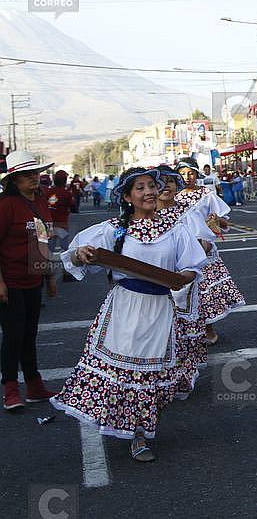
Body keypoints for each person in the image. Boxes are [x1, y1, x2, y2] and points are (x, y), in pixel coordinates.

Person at [52, 167, 206, 461]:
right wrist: (81, 254)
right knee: (124, 370)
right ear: (127, 197)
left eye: (152, 186)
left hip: (159, 308)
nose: (149, 192)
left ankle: (139, 430)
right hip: (124, 307)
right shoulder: (114, 230)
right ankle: (134, 433)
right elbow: (75, 256)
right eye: (140, 188)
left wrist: (180, 278)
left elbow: (192, 265)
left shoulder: (175, 228)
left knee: (151, 372)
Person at [0, 151, 58, 411]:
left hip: (34, 279)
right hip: (9, 280)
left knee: (29, 334)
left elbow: (43, 242)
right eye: (27, 175)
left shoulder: (41, 201)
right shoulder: (5, 205)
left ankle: (34, 386)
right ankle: (11, 390)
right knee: (13, 335)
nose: (34, 177)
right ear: (14, 180)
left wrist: (50, 277)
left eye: (35, 173)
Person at [155, 165, 215, 399]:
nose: (166, 186)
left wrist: (197, 248)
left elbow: (206, 242)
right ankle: (156, 380)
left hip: (183, 284)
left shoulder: (188, 213)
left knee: (182, 332)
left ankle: (181, 378)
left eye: (170, 181)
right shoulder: (143, 216)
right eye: (160, 182)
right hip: (152, 285)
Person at [175, 157, 246, 345]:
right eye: (182, 174)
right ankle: (184, 331)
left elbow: (224, 223)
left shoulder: (207, 194)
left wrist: (216, 220)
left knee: (203, 291)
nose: (186, 177)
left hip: (203, 248)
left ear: (197, 174)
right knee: (182, 292)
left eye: (190, 173)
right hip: (180, 250)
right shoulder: (172, 197)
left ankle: (208, 328)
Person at [46, 170, 76, 254]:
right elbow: (73, 207)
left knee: (50, 244)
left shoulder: (49, 191)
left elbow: (49, 204)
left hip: (50, 221)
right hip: (62, 222)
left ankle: (48, 259)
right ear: (65, 180)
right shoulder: (66, 193)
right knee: (64, 245)